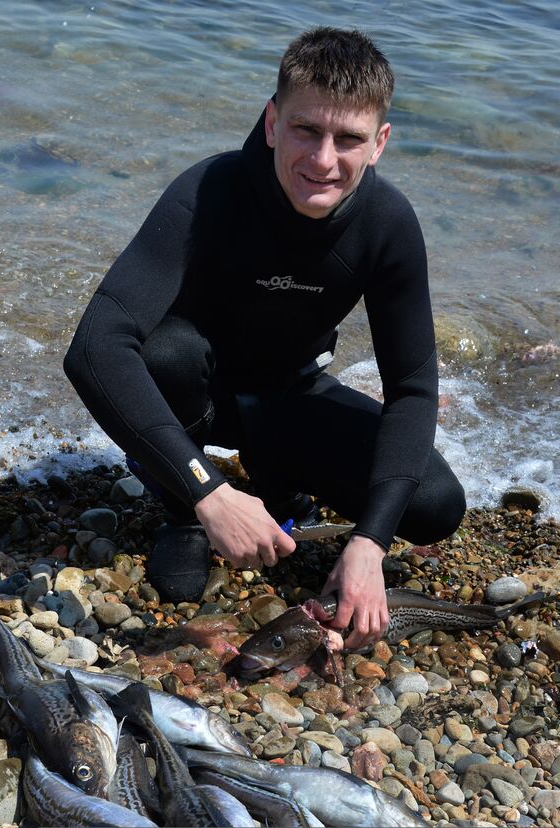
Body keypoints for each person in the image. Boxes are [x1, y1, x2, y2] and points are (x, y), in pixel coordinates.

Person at [64, 26, 466, 650]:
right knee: (167, 353)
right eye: (306, 130)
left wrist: (369, 542)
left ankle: (277, 480)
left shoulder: (387, 224)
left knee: (435, 504)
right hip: (195, 392)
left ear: (380, 143)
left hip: (286, 393)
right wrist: (207, 493)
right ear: (273, 121)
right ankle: (182, 511)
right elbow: (94, 347)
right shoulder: (211, 191)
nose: (324, 160)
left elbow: (412, 390)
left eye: (349, 139)